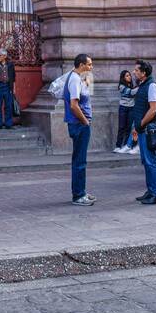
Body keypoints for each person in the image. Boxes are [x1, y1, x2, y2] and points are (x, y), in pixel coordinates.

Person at [129, 59, 156, 205]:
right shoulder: (144, 85)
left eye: (136, 70)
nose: (134, 72)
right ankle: (151, 191)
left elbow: (153, 109)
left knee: (151, 161)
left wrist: (141, 125)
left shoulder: (152, 86)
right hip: (143, 128)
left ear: (144, 73)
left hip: (149, 129)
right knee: (146, 161)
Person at [64, 53, 95, 205]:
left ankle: (81, 192)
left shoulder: (77, 78)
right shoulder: (75, 79)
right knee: (79, 161)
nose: (91, 67)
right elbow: (74, 105)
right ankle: (78, 195)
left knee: (80, 160)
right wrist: (85, 121)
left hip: (79, 123)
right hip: (79, 124)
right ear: (81, 65)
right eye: (89, 64)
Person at [0, 48, 15, 129]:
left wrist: (13, 87)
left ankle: (8, 124)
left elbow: (13, 76)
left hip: (8, 87)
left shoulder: (10, 65)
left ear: (5, 56)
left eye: (0, 55)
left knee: (9, 106)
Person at [114, 69, 137, 153]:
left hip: (131, 108)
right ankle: (118, 146)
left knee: (129, 128)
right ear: (123, 78)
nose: (129, 77)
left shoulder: (132, 86)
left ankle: (125, 145)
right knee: (121, 127)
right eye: (127, 76)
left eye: (129, 75)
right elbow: (130, 93)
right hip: (123, 108)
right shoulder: (121, 86)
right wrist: (140, 87)